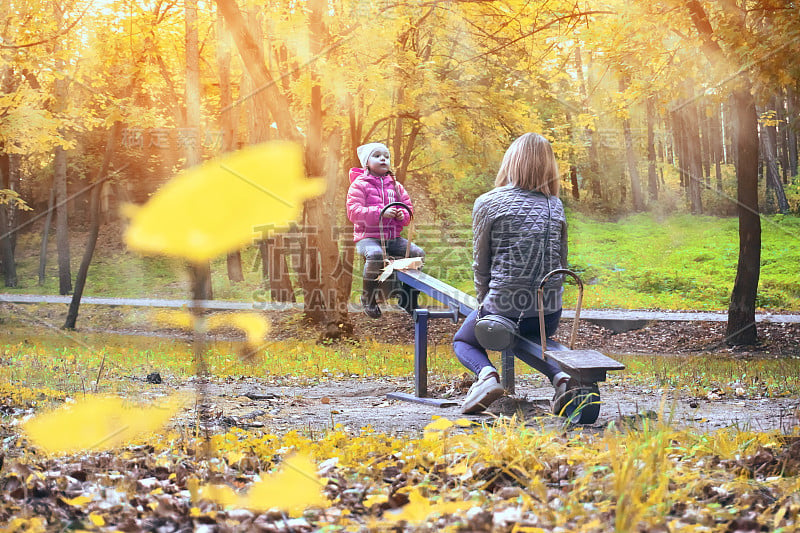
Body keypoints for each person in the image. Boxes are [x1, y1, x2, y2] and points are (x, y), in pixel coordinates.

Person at [453, 132, 577, 414]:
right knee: (523, 337)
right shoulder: (554, 205)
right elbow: (561, 261)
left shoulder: (487, 202)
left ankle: (486, 376)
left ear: (511, 162)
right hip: (548, 310)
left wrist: (486, 302)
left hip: (504, 305)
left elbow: (480, 263)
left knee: (464, 339)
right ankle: (562, 378)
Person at [346, 142, 425, 319]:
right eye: (377, 155)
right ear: (367, 162)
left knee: (418, 253)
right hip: (368, 237)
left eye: (386, 156)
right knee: (375, 255)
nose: (383, 158)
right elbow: (354, 212)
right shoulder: (359, 185)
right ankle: (368, 299)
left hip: (392, 237)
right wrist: (381, 213)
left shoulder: (396, 187)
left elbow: (408, 211)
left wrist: (400, 215)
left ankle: (408, 298)